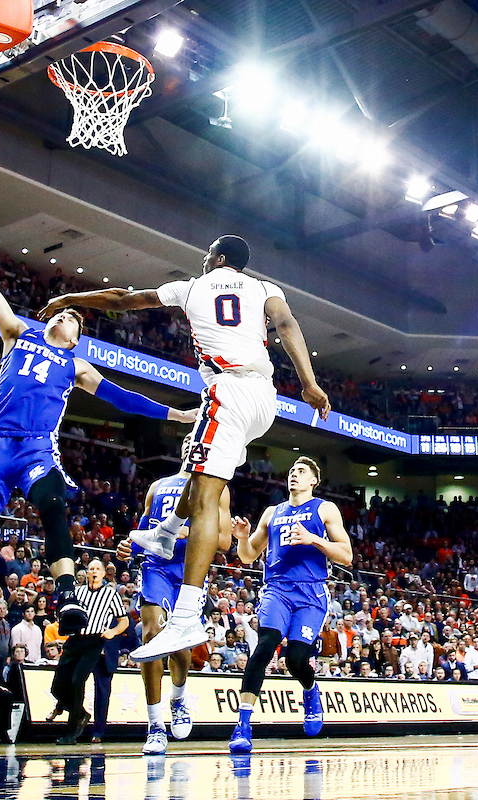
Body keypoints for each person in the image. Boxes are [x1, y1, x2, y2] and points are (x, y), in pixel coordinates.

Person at [0, 206, 196, 698]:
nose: (72, 318)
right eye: (67, 313)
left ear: (78, 338)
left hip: (36, 450)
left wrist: (175, 416)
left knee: (55, 504)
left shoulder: (76, 366)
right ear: (51, 319)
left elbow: (123, 398)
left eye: (79, 321)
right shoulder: (16, 332)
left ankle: (69, 595)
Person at [41, 235, 332, 664]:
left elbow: (123, 300)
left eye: (206, 253)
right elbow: (287, 326)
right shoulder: (266, 288)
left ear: (217, 258)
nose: (202, 258)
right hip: (263, 399)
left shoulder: (191, 286)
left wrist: (70, 297)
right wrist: (308, 383)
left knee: (204, 502)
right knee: (197, 479)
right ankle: (162, 534)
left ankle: (187, 615)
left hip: (227, 390)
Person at [114, 435, 233, 755]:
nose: (193, 444)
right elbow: (144, 530)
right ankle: (154, 726)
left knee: (180, 644)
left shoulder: (217, 488)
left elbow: (223, 542)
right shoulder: (158, 486)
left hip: (189, 570)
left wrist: (181, 530)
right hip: (157, 568)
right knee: (151, 635)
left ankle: (178, 699)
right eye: (189, 441)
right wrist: (130, 544)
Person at [225, 457, 351, 753]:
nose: (294, 474)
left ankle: (310, 690)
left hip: (311, 594)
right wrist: (242, 539)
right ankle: (243, 725)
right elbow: (247, 556)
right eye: (292, 470)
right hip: (277, 590)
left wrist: (313, 540)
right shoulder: (272, 512)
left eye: (301, 471)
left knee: (295, 660)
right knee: (266, 643)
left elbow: (346, 556)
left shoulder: (324, 509)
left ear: (313, 481)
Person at [51, 559, 129, 745]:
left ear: (103, 574)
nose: (94, 572)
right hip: (74, 640)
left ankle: (71, 733)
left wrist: (113, 631)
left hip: (94, 641)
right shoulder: (77, 591)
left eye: (97, 569)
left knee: (78, 682)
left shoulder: (111, 595)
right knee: (57, 687)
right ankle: (82, 714)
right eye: (91, 569)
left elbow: (123, 620)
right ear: (86, 573)